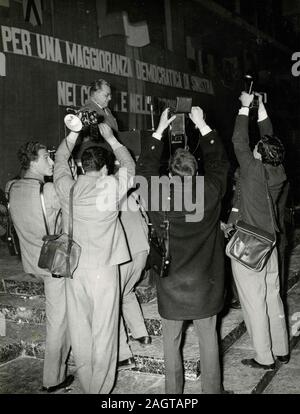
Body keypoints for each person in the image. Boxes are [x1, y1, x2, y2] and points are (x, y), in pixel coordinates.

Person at [136, 107, 230, 394]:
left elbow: (144, 169)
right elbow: (220, 163)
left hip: (172, 285)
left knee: (170, 345)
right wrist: (202, 124)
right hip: (205, 284)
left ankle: (173, 395)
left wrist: (158, 131)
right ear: (196, 171)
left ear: (170, 172)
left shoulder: (156, 195)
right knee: (209, 342)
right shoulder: (210, 191)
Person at [54, 119, 135, 394]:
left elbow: (60, 158)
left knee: (80, 330)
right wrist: (112, 139)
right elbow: (131, 167)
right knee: (104, 331)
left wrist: (74, 133)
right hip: (104, 270)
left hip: (73, 269)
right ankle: (100, 391)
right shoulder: (110, 187)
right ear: (104, 169)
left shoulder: (68, 187)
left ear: (81, 167)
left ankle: (88, 385)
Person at [230, 91, 289, 370]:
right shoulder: (278, 170)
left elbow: (238, 140)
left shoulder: (253, 170)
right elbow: (270, 139)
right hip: (271, 244)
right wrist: (261, 108)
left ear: (258, 154)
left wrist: (244, 108)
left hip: (251, 245)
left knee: (254, 302)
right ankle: (282, 349)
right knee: (272, 296)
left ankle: (264, 357)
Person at [8, 142, 73, 392]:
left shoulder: (12, 187)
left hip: (32, 261)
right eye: (47, 157)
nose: (51, 161)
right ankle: (53, 379)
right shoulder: (48, 190)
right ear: (33, 161)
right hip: (54, 264)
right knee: (58, 322)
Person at [118, 190, 151, 370]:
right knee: (127, 292)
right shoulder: (132, 193)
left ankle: (123, 355)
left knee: (112, 303)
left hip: (125, 255)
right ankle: (141, 334)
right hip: (142, 251)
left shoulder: (107, 194)